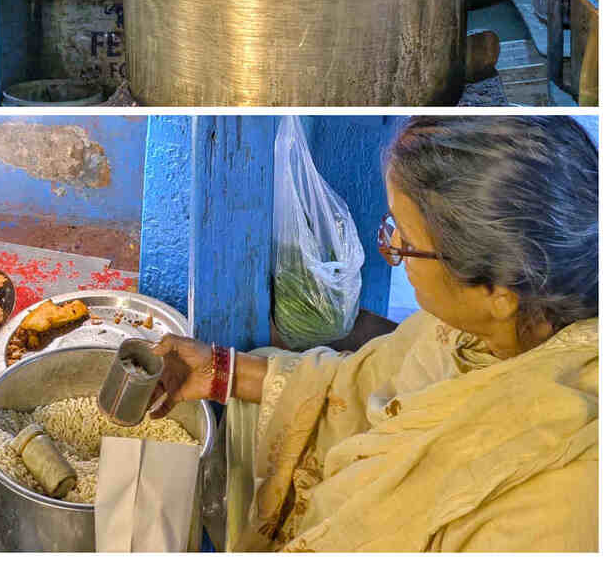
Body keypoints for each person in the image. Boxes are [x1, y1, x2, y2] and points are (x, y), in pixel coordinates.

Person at [152, 116, 598, 552]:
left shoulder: (559, 487)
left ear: (497, 291)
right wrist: (218, 371)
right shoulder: (465, 330)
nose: (391, 251)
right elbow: (353, 391)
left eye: (404, 242)